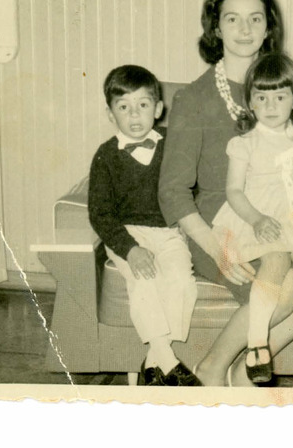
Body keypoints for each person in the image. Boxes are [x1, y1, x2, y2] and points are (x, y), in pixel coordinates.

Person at [158, 0, 293, 386]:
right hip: (221, 226)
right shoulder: (194, 98)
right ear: (215, 28)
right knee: (287, 287)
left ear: (268, 26)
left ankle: (243, 373)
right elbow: (172, 191)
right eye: (232, 19)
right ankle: (212, 367)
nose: (244, 29)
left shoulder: (285, 89)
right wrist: (217, 248)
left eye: (255, 18)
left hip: (284, 219)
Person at [212, 53, 293, 383]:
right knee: (275, 262)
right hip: (261, 219)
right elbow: (234, 191)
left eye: (280, 97)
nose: (271, 106)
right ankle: (257, 344)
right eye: (262, 98)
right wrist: (257, 219)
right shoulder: (245, 143)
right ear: (250, 102)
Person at [88, 65, 201, 386]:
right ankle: (169, 360)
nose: (134, 114)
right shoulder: (106, 156)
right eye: (123, 107)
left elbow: (191, 186)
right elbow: (100, 213)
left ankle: (153, 362)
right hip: (127, 233)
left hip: (168, 231)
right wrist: (130, 250)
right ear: (110, 114)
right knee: (146, 282)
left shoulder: (172, 145)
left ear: (158, 108)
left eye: (143, 104)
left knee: (181, 280)